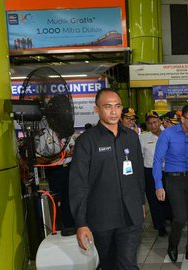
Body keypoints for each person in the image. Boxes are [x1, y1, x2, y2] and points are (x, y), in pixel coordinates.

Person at [69, 88, 145, 270]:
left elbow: (138, 174)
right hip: (101, 217)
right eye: (107, 106)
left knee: (128, 264)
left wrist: (141, 203)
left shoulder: (132, 137)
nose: (113, 111)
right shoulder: (87, 141)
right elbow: (78, 184)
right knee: (108, 265)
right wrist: (81, 223)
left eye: (117, 106)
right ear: (97, 109)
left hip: (130, 215)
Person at [153, 104, 188, 264]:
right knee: (180, 216)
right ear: (182, 119)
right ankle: (173, 245)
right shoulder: (168, 134)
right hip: (173, 179)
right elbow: (157, 160)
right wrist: (158, 185)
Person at [35, 126, 75, 230]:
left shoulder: (68, 134)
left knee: (71, 200)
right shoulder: (45, 135)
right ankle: (61, 227)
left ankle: (72, 225)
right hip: (56, 172)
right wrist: (62, 155)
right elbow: (38, 159)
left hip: (70, 169)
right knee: (58, 201)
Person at [139, 111, 171, 237]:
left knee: (169, 198)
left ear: (160, 122)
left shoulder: (168, 134)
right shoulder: (143, 138)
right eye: (150, 123)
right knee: (154, 200)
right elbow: (140, 157)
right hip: (150, 173)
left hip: (168, 171)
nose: (153, 125)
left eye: (155, 122)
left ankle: (169, 218)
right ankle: (160, 226)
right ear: (147, 125)